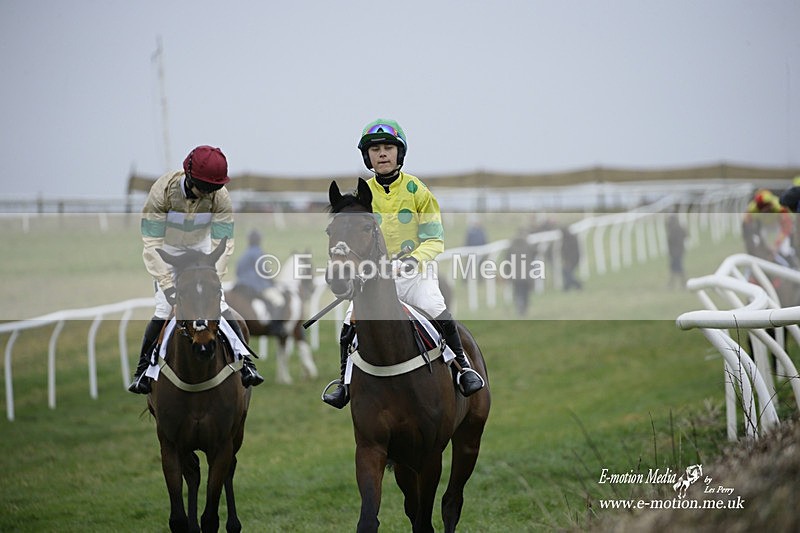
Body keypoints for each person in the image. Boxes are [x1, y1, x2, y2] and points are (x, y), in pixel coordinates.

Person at [322, 119, 485, 409]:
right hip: (374, 278)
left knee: (436, 308)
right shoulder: (361, 197)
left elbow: (435, 239)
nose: (382, 154)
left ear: (399, 154)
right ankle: (344, 383)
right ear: (366, 157)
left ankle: (463, 368)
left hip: (415, 274)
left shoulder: (418, 191)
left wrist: (412, 261)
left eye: (388, 148)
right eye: (375, 150)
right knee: (349, 323)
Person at [128, 145, 264, 394]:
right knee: (164, 307)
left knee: (219, 304)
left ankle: (246, 364)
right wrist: (168, 285)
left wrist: (215, 278)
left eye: (214, 188)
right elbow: (151, 243)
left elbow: (224, 242)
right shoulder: (162, 191)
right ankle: (143, 371)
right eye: (206, 188)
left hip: (203, 252)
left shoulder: (220, 196)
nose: (210, 194)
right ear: (189, 177)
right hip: (167, 253)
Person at [234, 229, 285, 335]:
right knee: (279, 301)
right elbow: (264, 270)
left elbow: (237, 271)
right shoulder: (258, 252)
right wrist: (272, 282)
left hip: (240, 286)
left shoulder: (244, 254)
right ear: (259, 240)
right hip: (256, 287)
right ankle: (275, 327)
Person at [743, 188, 796, 268]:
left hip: (778, 225)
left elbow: (786, 227)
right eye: (763, 210)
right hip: (765, 226)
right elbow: (746, 228)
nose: (766, 212)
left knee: (785, 249)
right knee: (762, 246)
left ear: (771, 205)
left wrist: (776, 244)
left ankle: (793, 266)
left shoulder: (780, 207)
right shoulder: (751, 209)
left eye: (768, 209)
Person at [666, 214, 687, 289]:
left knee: (678, 269)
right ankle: (672, 284)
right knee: (674, 269)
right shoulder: (678, 229)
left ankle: (682, 283)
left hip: (676, 253)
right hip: (677, 252)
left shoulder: (674, 230)